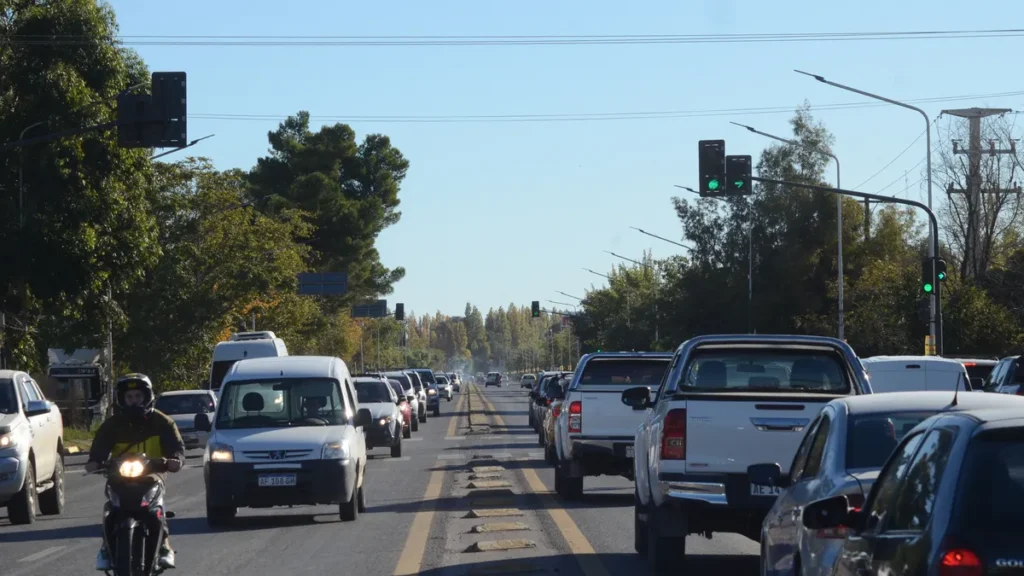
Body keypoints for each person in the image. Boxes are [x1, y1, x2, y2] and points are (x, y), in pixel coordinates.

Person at [86, 374, 185, 571]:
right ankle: (105, 547)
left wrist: (175, 460)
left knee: (156, 509)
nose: (134, 401)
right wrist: (94, 462)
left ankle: (164, 545)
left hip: (153, 474)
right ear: (122, 399)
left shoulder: (163, 422)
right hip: (119, 475)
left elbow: (177, 450)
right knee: (111, 509)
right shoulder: (112, 425)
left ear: (147, 397)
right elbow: (97, 452)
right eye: (129, 397)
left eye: (138, 396)